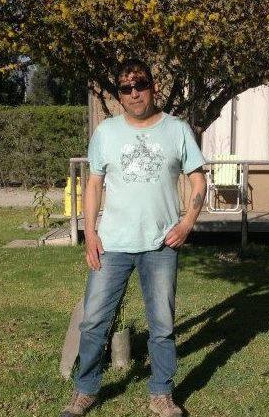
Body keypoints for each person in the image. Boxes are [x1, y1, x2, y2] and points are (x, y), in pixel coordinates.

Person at [61, 58, 206, 417]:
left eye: (140, 84)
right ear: (119, 95)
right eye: (126, 88)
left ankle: (161, 394)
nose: (134, 93)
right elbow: (94, 184)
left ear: (153, 87)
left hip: (161, 245)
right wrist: (90, 233)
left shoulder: (177, 130)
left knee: (162, 325)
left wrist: (187, 223)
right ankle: (85, 390)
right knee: (93, 322)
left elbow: (198, 180)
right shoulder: (106, 132)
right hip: (112, 244)